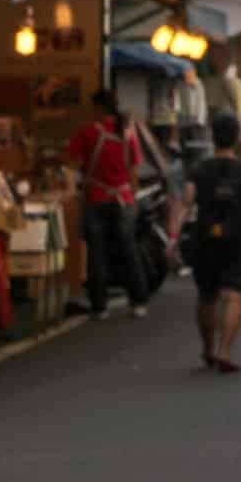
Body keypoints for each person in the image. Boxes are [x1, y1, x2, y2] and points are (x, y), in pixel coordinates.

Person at [166, 112, 241, 374]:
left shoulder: (199, 170)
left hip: (204, 239)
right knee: (233, 295)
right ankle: (225, 351)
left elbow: (185, 203)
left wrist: (172, 238)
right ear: (238, 138)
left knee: (206, 297)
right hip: (237, 241)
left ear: (212, 138)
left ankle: (207, 348)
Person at [66, 90, 150, 320]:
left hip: (96, 198)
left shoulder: (89, 133)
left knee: (97, 253)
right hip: (123, 199)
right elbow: (134, 171)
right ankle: (139, 300)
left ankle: (100, 306)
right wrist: (131, 196)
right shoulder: (127, 133)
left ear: (99, 108)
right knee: (128, 250)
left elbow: (71, 161)